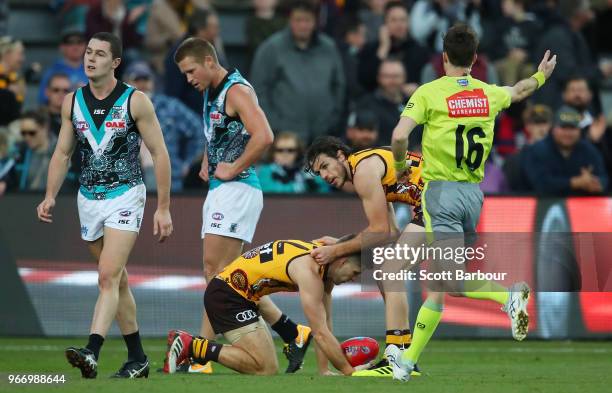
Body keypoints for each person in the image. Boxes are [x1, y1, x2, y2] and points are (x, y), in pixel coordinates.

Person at [388, 23, 557, 381]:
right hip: (473, 196)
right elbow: (521, 89)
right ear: (475, 59)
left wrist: (401, 168)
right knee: (438, 286)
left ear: (443, 57)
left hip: (442, 194)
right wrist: (541, 77)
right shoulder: (488, 93)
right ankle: (406, 362)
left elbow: (399, 135)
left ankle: (507, 298)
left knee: (447, 279)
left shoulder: (430, 93)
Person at [36, 32, 174, 379]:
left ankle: (92, 350)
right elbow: (63, 153)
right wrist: (50, 194)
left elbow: (159, 153)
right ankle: (138, 358)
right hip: (88, 199)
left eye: (99, 54)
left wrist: (163, 207)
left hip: (126, 194)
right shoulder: (71, 102)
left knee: (107, 276)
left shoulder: (135, 101)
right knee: (118, 282)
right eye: (88, 52)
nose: (90, 58)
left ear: (115, 63)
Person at [173, 37, 311, 374]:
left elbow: (264, 135)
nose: (189, 79)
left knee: (216, 276)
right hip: (224, 188)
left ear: (208, 61)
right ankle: (292, 332)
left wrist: (233, 167)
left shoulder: (236, 91)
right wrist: (209, 158)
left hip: (238, 189)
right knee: (232, 277)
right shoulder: (213, 90)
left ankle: (200, 357)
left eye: (191, 71)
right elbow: (219, 132)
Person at [305, 136, 425, 377]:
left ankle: (396, 357)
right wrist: (341, 243)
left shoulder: (363, 170)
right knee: (387, 274)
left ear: (340, 155)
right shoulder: (370, 164)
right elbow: (390, 231)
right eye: (319, 174)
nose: (325, 176)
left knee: (390, 270)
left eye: (325, 166)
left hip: (442, 203)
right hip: (446, 202)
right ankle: (406, 356)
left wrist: (334, 251)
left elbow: (380, 231)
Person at [164, 238, 361, 376]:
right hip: (227, 296)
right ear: (342, 260)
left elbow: (325, 321)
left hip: (242, 296)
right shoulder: (310, 271)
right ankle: (191, 345)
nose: (353, 278)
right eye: (354, 272)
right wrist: (350, 372)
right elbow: (320, 333)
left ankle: (292, 332)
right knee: (264, 368)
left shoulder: (323, 259)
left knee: (269, 367)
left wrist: (324, 370)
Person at [250, 0, 345, 142]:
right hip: (284, 140)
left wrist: (332, 120)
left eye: (308, 20)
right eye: (298, 20)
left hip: (323, 134)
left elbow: (339, 86)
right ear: (290, 20)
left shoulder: (329, 48)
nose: (303, 25)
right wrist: (276, 125)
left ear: (316, 22)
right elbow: (258, 91)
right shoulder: (271, 48)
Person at [124, 61, 203, 192]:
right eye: (137, 80)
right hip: (129, 185)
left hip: (171, 182)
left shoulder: (170, 106)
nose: (142, 84)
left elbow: (199, 130)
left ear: (153, 82)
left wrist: (187, 163)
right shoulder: (118, 111)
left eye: (146, 79)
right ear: (126, 83)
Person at [523, 105, 608, 195]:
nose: (568, 133)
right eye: (563, 127)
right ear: (553, 129)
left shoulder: (588, 150)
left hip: (583, 205)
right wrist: (576, 182)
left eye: (572, 128)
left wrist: (597, 184)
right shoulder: (537, 150)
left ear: (579, 130)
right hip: (542, 205)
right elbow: (541, 184)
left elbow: (604, 178)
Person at [257, 132, 329, 194]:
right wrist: (301, 187)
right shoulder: (265, 171)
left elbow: (325, 191)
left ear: (298, 152)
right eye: (280, 150)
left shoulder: (306, 170)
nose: (285, 154)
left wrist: (313, 182)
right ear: (273, 153)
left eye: (290, 150)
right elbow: (268, 190)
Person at [37, 30, 87, 105]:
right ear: (62, 47)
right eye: (70, 43)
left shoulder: (92, 71)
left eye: (79, 42)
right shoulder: (53, 71)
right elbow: (42, 98)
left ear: (85, 46)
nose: (75, 47)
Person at [13, 111, 57, 192]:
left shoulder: (60, 151)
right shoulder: (20, 152)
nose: (27, 137)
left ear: (45, 128)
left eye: (32, 133)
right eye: (23, 133)